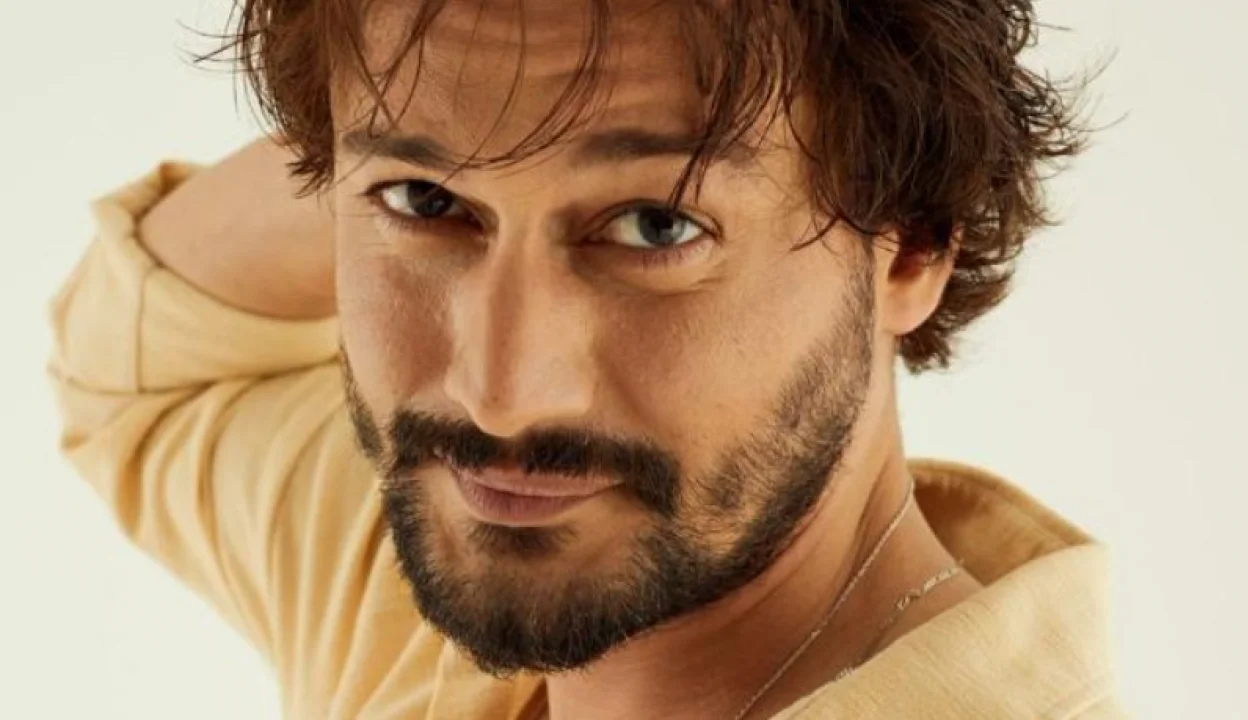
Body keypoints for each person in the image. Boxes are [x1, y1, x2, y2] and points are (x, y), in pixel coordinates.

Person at [47, 0, 1123, 717]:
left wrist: (450, 125)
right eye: (426, 202)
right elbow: (143, 365)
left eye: (656, 225)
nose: (499, 397)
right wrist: (417, 89)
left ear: (911, 246)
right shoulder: (445, 599)